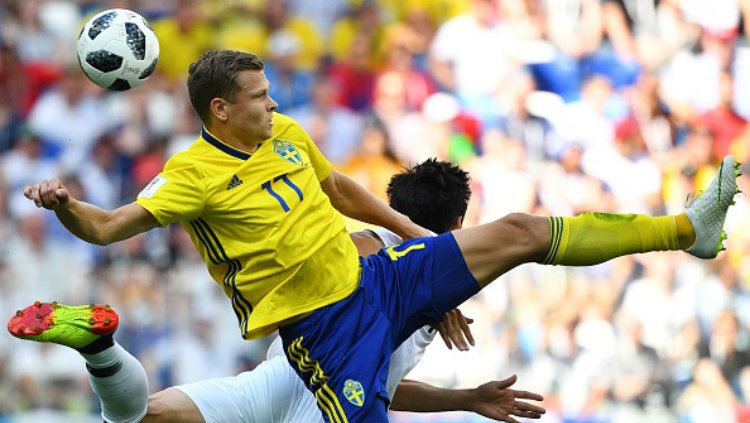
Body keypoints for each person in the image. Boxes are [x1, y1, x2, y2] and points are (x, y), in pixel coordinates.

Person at [19, 49, 741, 422]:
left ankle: (687, 228)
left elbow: (337, 189)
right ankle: (99, 343)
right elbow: (109, 226)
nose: (274, 102)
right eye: (259, 97)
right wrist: (63, 204)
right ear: (220, 109)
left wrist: (413, 240)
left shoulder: (288, 133)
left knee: (519, 231)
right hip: (324, 337)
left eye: (270, 92)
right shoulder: (192, 175)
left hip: (377, 285)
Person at [9, 158, 547, 423]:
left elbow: (382, 380)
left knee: (137, 416)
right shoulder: (381, 254)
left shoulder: (369, 248)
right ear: (458, 222)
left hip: (276, 380)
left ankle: (99, 348)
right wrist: (439, 290)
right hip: (318, 401)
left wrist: (467, 400)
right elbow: (369, 275)